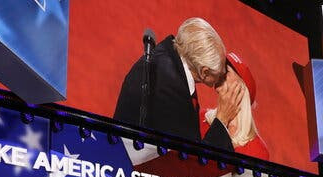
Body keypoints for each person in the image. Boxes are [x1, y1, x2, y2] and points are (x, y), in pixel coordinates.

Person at [113, 17, 243, 151]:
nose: (222, 80)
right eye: (221, 73)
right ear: (204, 72)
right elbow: (189, 162)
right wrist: (222, 120)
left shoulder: (172, 61)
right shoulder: (170, 87)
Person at [200, 52, 270, 160]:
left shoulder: (258, 150)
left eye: (226, 70)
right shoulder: (201, 118)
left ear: (242, 89)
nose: (220, 71)